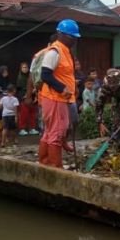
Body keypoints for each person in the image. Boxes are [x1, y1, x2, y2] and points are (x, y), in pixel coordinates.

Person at [35, 19, 80, 167]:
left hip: (60, 98)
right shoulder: (55, 51)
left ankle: (45, 162)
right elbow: (45, 75)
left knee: (50, 132)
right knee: (57, 133)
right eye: (72, 37)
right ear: (62, 35)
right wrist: (62, 88)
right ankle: (55, 166)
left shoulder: (65, 51)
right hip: (55, 98)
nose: (74, 40)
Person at [16, 62, 38, 135]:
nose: (25, 69)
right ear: (21, 69)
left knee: (32, 114)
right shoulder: (20, 78)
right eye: (23, 67)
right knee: (24, 114)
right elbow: (19, 90)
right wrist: (24, 96)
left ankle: (32, 128)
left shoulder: (31, 77)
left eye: (26, 67)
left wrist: (34, 92)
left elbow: (34, 85)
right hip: (24, 98)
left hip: (32, 97)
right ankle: (22, 129)